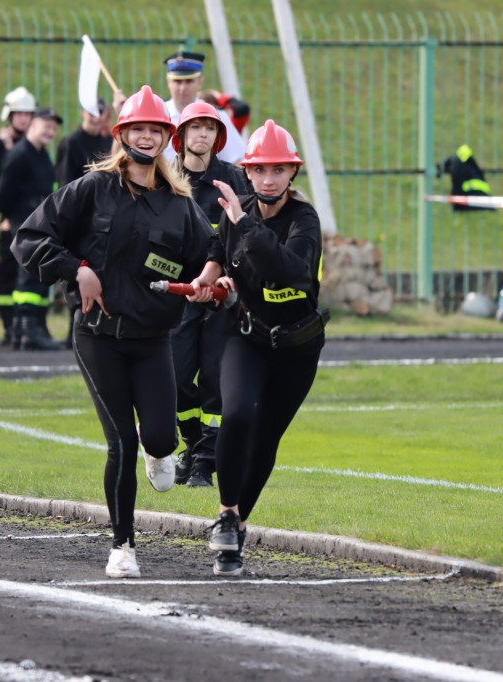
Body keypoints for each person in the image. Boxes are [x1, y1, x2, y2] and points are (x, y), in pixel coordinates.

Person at [11, 85, 214, 578]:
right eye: (137, 129)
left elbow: (213, 251)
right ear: (122, 135)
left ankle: (157, 450)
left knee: (163, 440)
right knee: (121, 441)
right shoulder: (91, 188)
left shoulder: (180, 204)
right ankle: (123, 546)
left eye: (155, 130)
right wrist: (74, 267)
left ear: (168, 138)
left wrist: (210, 274)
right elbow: (29, 238)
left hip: (152, 341)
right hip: (97, 336)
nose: (146, 137)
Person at [187, 120, 329, 577]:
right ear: (248, 173)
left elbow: (285, 269)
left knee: (266, 437)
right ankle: (227, 514)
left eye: (278, 170)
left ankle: (238, 529)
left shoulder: (303, 220)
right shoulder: (238, 209)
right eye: (260, 170)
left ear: (293, 173)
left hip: (297, 348)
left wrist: (242, 222)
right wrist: (211, 278)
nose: (268, 178)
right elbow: (219, 246)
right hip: (245, 336)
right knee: (239, 416)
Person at [169, 101, 250, 488]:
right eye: (195, 127)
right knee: (179, 377)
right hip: (179, 296)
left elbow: (245, 234)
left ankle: (205, 459)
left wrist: (232, 279)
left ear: (219, 137)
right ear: (181, 135)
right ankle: (191, 444)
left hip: (221, 294)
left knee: (215, 378)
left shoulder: (233, 180)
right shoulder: (164, 179)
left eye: (210, 128)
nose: (203, 134)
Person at [0, 106, 64, 351]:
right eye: (47, 126)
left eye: (54, 128)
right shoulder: (20, 154)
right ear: (33, 124)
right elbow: (4, 192)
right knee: (28, 277)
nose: (51, 131)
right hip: (25, 223)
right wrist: (13, 218)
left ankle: (31, 329)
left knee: (36, 276)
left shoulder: (42, 154)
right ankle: (25, 332)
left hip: (40, 224)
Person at [54, 97, 114, 348]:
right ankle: (73, 330)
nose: (95, 116)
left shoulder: (106, 142)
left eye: (99, 111)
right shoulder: (71, 142)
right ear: (82, 113)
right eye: (90, 111)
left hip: (102, 219)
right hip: (79, 216)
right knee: (77, 274)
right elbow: (66, 181)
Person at [0, 86, 35, 344]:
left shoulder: (35, 146)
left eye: (28, 114)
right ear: (10, 115)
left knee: (27, 273)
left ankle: (24, 325)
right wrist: (7, 151)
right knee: (6, 271)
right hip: (9, 218)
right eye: (19, 114)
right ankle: (7, 325)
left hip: (31, 218)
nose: (24, 119)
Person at [161, 51, 245, 164]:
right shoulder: (159, 114)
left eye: (189, 81)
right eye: (177, 81)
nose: (182, 88)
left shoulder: (217, 115)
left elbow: (236, 161)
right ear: (168, 81)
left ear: (200, 82)